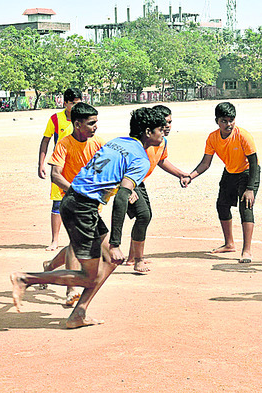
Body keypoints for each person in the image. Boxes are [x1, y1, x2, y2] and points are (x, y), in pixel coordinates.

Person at [11, 107, 166, 328]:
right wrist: (114, 243)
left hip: (77, 203)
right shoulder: (141, 158)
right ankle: (26, 278)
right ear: (148, 132)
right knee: (89, 276)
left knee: (112, 262)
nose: (164, 133)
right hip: (81, 208)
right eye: (161, 129)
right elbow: (122, 198)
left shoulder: (118, 141)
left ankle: (78, 314)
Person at [39, 102, 107, 306]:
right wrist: (77, 192)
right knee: (77, 244)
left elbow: (105, 171)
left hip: (92, 202)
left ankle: (49, 266)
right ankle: (72, 290)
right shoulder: (64, 144)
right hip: (71, 200)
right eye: (91, 123)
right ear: (77, 124)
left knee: (76, 244)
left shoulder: (99, 143)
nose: (96, 127)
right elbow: (55, 175)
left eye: (97, 123)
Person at [181, 102, 260, 263]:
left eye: (231, 120)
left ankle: (247, 251)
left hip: (248, 172)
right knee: (222, 205)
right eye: (224, 120)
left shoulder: (243, 135)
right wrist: (190, 176)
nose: (228, 124)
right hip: (230, 171)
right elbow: (205, 163)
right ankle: (229, 244)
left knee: (246, 206)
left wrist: (250, 188)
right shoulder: (213, 138)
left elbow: (253, 163)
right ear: (217, 121)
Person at [122, 105, 189, 274]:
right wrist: (128, 189)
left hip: (139, 182)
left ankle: (132, 258)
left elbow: (161, 161)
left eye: (170, 123)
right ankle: (137, 260)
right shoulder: (143, 142)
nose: (167, 127)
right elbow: (124, 165)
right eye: (164, 124)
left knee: (144, 216)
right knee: (143, 215)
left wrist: (180, 174)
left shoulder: (161, 142)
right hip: (127, 182)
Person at [37, 88, 83, 251]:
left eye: (79, 103)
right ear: (65, 103)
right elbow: (45, 141)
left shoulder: (83, 118)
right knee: (57, 203)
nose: (77, 106)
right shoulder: (56, 119)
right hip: (60, 167)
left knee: (81, 203)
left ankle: (78, 239)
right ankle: (55, 240)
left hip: (79, 167)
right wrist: (41, 163)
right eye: (73, 103)